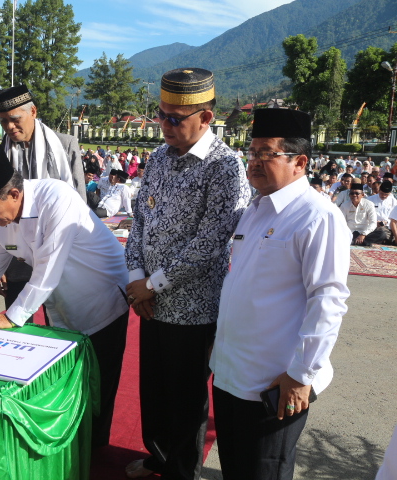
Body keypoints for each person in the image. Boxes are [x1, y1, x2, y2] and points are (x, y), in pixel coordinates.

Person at [0, 145, 129, 449]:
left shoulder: (56, 198)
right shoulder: (0, 220)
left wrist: (9, 316)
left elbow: (48, 269)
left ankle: (92, 454)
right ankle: (70, 445)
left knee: (98, 384)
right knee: (69, 383)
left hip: (101, 298)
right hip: (62, 305)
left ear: (14, 194)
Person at [123, 67, 251, 480]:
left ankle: (181, 470)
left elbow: (211, 242)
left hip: (192, 306)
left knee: (185, 395)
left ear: (206, 118)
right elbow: (139, 219)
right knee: (153, 388)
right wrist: (136, 279)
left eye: (175, 118)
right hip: (148, 300)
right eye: (161, 115)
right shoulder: (159, 156)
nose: (165, 125)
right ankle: (157, 456)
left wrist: (151, 285)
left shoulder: (225, 167)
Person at [211, 108, 350, 480]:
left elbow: (329, 298)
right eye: (251, 152)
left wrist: (302, 374)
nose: (254, 162)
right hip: (230, 373)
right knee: (236, 469)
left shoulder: (317, 216)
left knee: (264, 471)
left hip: (275, 382)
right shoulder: (255, 209)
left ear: (299, 161)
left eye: (266, 153)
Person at [0, 84, 86, 314]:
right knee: (19, 328)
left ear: (33, 112)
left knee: (61, 330)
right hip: (17, 260)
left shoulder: (65, 146)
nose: (9, 127)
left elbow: (81, 206)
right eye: (3, 121)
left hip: (61, 257)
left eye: (15, 119)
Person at [341, 180, 378, 247]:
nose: (354, 195)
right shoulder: (344, 205)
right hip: (350, 232)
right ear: (349, 195)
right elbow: (342, 223)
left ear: (362, 195)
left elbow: (373, 222)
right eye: (352, 193)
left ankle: (356, 241)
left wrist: (363, 234)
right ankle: (360, 241)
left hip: (365, 232)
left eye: (357, 193)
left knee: (381, 233)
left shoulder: (369, 204)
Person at [366, 180, 397, 244]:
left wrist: (386, 222)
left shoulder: (394, 201)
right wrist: (374, 222)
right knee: (382, 233)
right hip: (373, 225)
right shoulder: (370, 199)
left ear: (390, 193)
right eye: (382, 193)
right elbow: (365, 215)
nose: (384, 196)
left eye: (386, 194)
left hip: (388, 227)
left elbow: (394, 219)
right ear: (379, 190)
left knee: (384, 233)